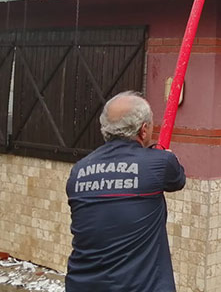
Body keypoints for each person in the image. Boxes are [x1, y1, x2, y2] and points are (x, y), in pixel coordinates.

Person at [65, 91, 186, 292]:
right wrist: (166, 157)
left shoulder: (78, 171)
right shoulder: (160, 163)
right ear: (144, 129)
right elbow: (177, 180)